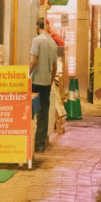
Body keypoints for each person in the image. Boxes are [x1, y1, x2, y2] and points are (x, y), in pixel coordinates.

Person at [28, 18, 58, 153]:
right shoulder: (53, 43)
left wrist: (25, 75)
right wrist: (50, 80)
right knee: (43, 113)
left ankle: (29, 143)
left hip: (35, 83)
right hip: (46, 83)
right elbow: (55, 66)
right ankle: (40, 144)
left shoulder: (37, 40)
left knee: (30, 113)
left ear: (37, 27)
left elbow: (33, 61)